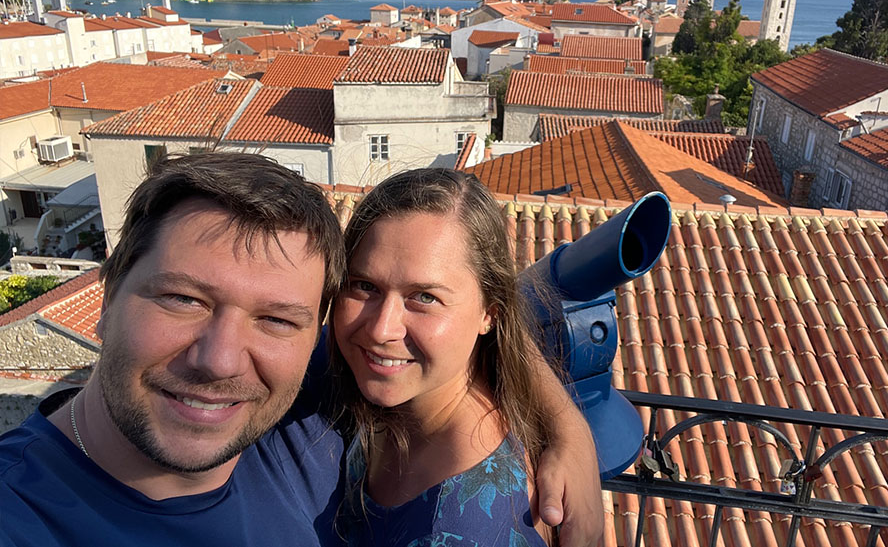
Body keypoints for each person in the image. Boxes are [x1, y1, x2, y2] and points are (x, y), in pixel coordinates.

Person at [0, 153, 602, 547]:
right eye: (184, 299)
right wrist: (568, 426)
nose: (220, 360)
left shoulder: (307, 405)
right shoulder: (331, 390)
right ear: (109, 295)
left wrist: (567, 430)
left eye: (275, 319)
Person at [330, 168, 566, 546]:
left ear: (489, 314)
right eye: (364, 286)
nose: (380, 330)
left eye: (425, 297)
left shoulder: (463, 529)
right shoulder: (397, 402)